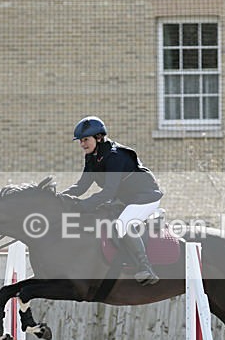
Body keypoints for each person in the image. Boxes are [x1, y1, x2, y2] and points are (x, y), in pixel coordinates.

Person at [61, 116, 162, 285]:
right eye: (80, 141)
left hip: (146, 197)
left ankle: (145, 267)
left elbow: (108, 192)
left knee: (122, 224)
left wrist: (81, 206)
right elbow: (81, 186)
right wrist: (60, 198)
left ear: (99, 138)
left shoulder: (115, 156)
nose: (82, 144)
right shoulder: (91, 157)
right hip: (125, 199)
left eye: (85, 140)